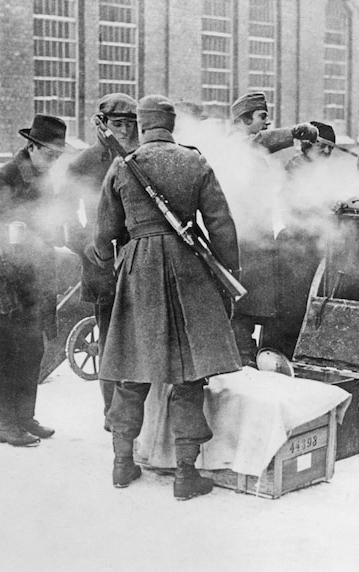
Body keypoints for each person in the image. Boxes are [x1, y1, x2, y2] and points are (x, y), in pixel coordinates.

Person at [93, 94, 241, 499]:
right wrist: (229, 271)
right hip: (188, 268)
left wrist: (114, 260)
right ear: (172, 125)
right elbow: (221, 224)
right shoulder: (194, 161)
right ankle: (184, 474)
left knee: (131, 368)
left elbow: (102, 234)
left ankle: (122, 464)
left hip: (137, 267)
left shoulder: (123, 166)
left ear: (142, 125)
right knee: (188, 372)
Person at [0, 114, 73, 446]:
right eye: (50, 154)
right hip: (7, 278)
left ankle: (23, 416)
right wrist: (15, 233)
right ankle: (3, 423)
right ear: (32, 147)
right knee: (7, 350)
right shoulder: (4, 178)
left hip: (36, 274)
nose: (54, 162)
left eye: (58, 156)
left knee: (33, 347)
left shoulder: (46, 178)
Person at [229, 91, 318, 365]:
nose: (267, 122)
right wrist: (293, 132)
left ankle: (249, 357)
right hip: (241, 237)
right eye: (262, 116)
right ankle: (242, 360)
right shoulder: (236, 144)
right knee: (242, 302)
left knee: (254, 300)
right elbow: (259, 141)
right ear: (245, 120)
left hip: (257, 235)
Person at [66, 93, 138, 430]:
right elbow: (64, 216)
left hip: (139, 259)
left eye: (130, 124)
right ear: (101, 124)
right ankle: (113, 414)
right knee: (110, 340)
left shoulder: (141, 157)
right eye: (117, 124)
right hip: (103, 263)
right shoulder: (84, 163)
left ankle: (141, 415)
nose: (124, 131)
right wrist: (84, 245)